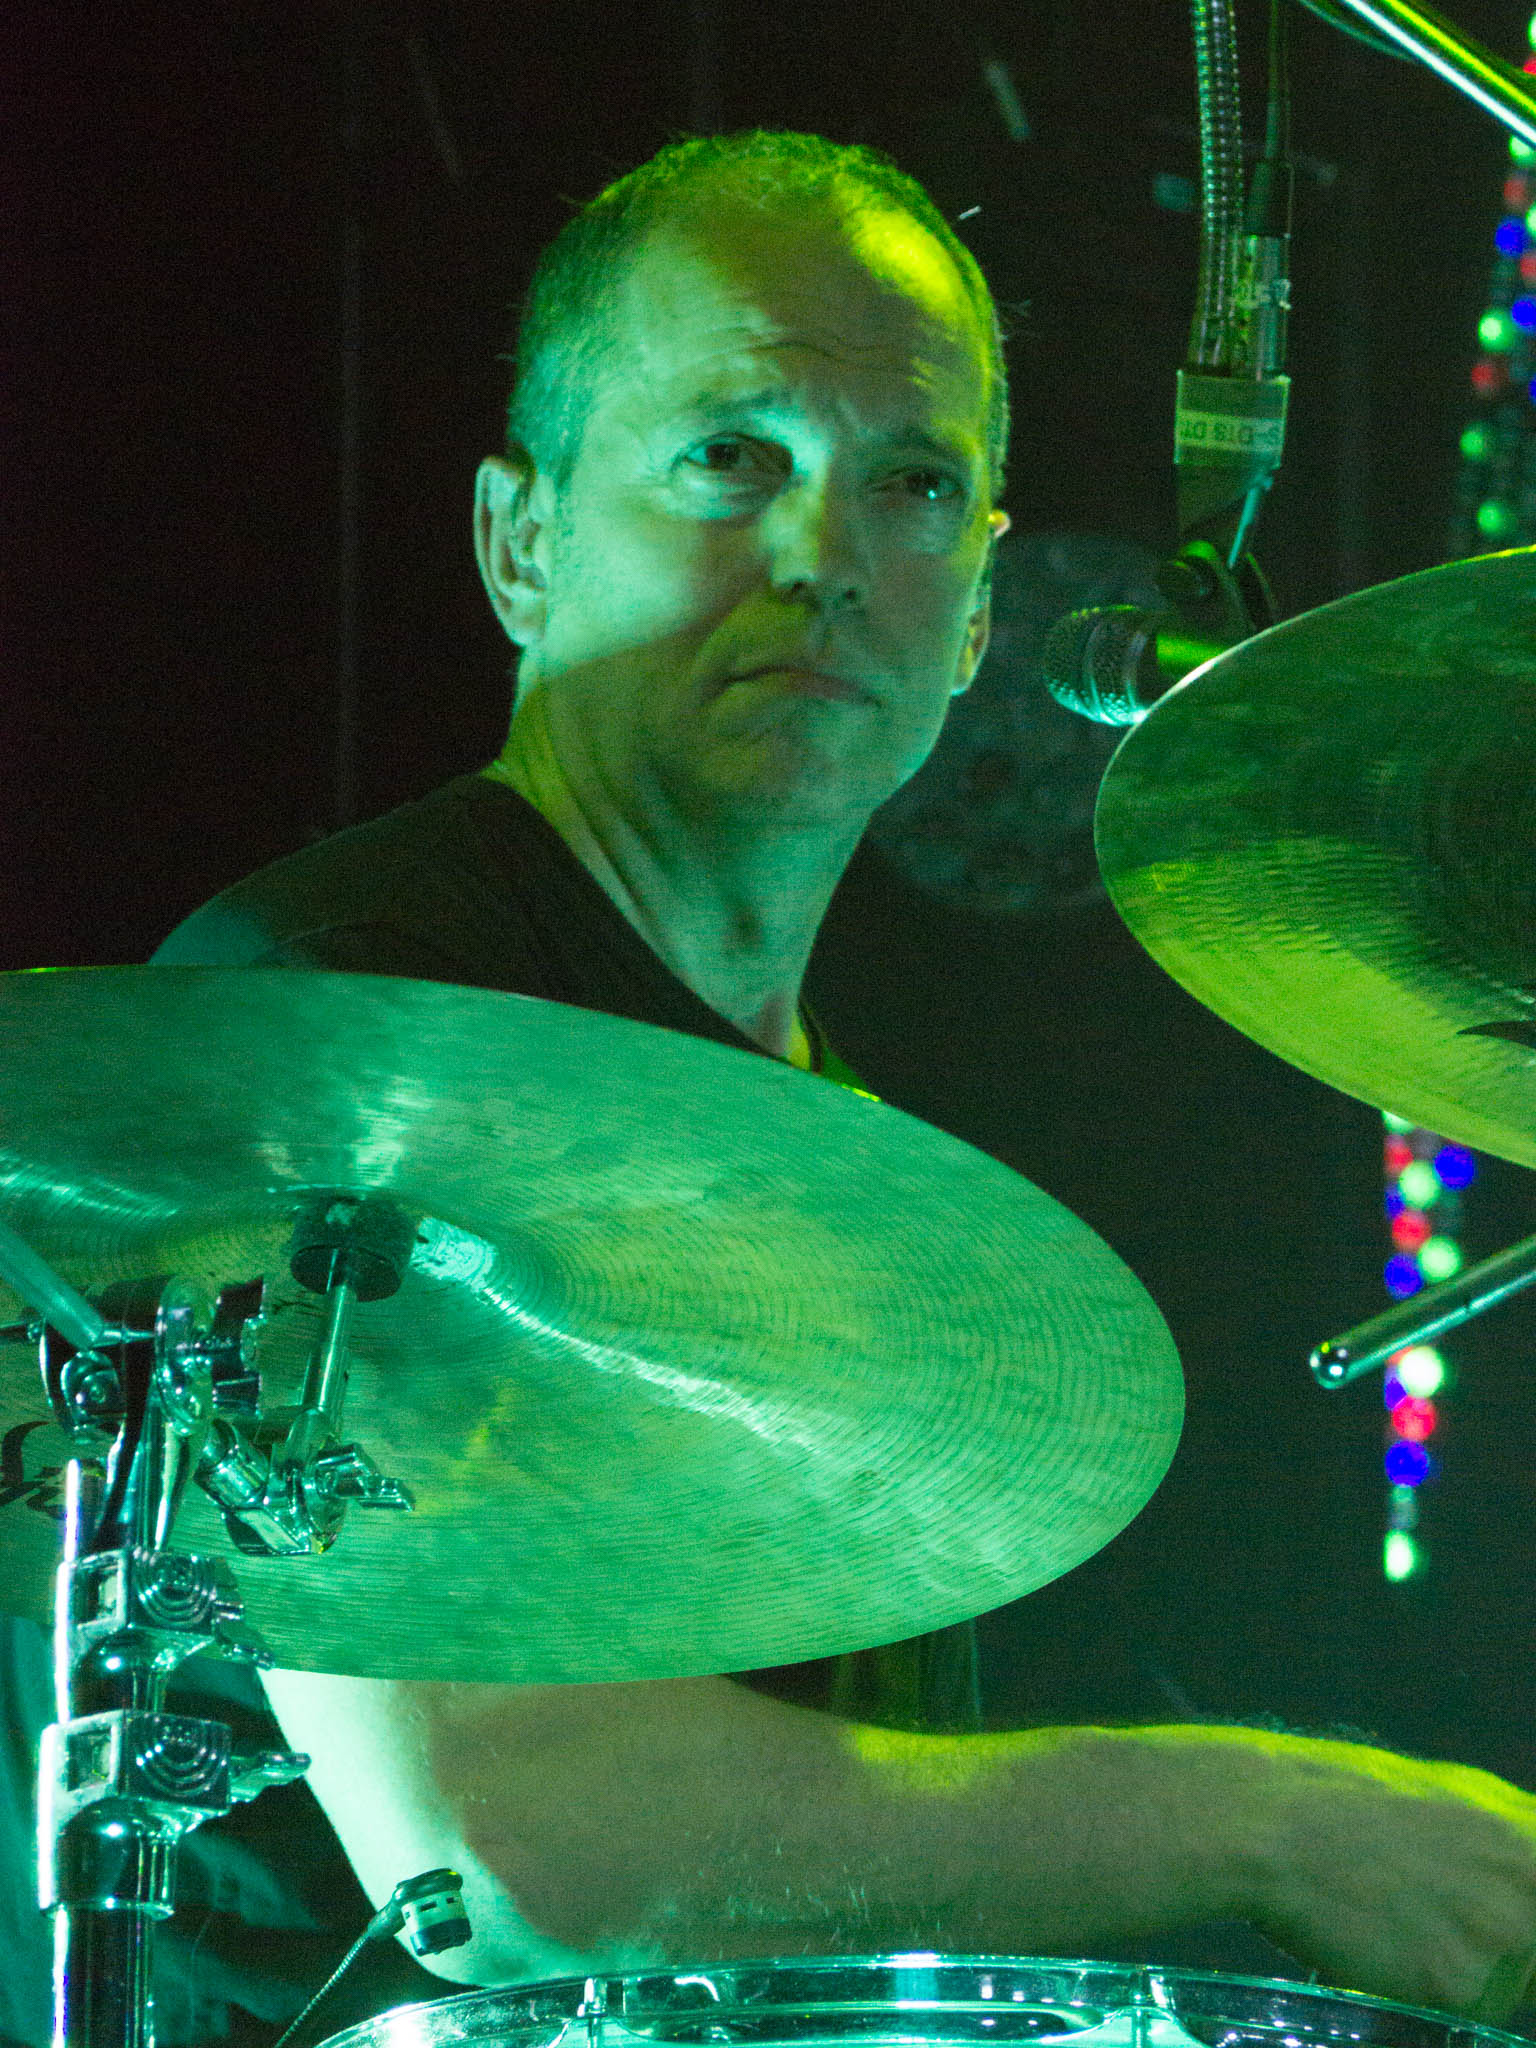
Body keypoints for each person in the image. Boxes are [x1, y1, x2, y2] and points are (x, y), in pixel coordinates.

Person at [65, 129, 1536, 2035]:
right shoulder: (334, 1019)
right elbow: (508, 1854)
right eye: (732, 456)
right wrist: (1292, 1827)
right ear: (519, 542)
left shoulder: (850, 1160)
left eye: (912, 485)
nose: (826, 556)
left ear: (984, 611)